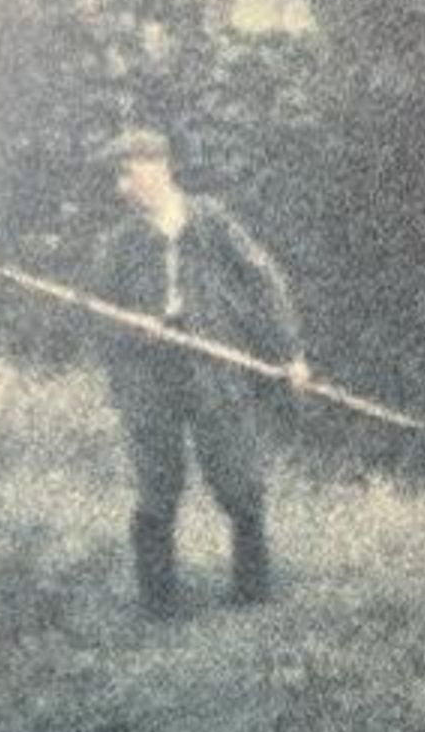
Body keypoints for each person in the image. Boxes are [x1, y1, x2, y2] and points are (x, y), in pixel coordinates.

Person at [91, 128, 310, 618]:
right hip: (147, 375)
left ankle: (252, 591)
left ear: (156, 167)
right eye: (116, 177)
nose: (120, 188)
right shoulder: (118, 243)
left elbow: (263, 281)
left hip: (212, 361)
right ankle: (158, 601)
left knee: (237, 477)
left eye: (125, 174)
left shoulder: (211, 222)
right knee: (157, 484)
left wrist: (290, 353)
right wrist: (133, 329)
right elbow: (97, 315)